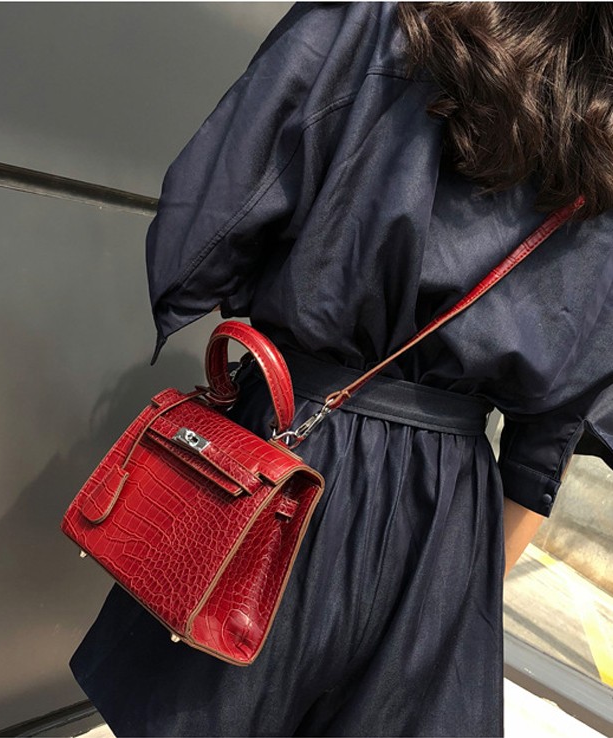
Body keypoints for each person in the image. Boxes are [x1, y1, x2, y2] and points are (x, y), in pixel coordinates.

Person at [70, 3, 612, 736]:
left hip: (287, 447)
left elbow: (215, 217)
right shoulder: (602, 128)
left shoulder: (381, 18)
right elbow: (548, 438)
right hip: (448, 514)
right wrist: (460, 586)